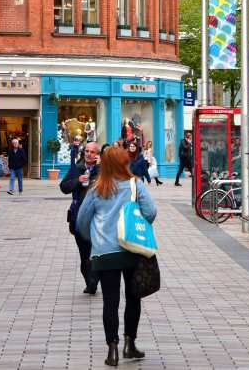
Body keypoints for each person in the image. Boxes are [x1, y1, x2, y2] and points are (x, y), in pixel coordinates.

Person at [76, 145, 157, 364]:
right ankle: (130, 344)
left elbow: (81, 222)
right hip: (131, 249)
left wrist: (94, 239)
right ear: (124, 162)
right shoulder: (135, 185)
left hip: (104, 252)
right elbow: (151, 212)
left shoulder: (96, 188)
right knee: (133, 297)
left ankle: (112, 349)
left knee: (110, 301)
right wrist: (137, 223)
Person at [60, 140, 101, 293]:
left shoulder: (102, 170)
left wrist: (99, 168)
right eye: (87, 151)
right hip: (79, 218)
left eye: (92, 152)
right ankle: (90, 281)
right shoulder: (77, 168)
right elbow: (63, 187)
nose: (89, 154)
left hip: (98, 220)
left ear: (97, 155)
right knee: (84, 254)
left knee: (96, 253)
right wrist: (78, 180)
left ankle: (94, 280)